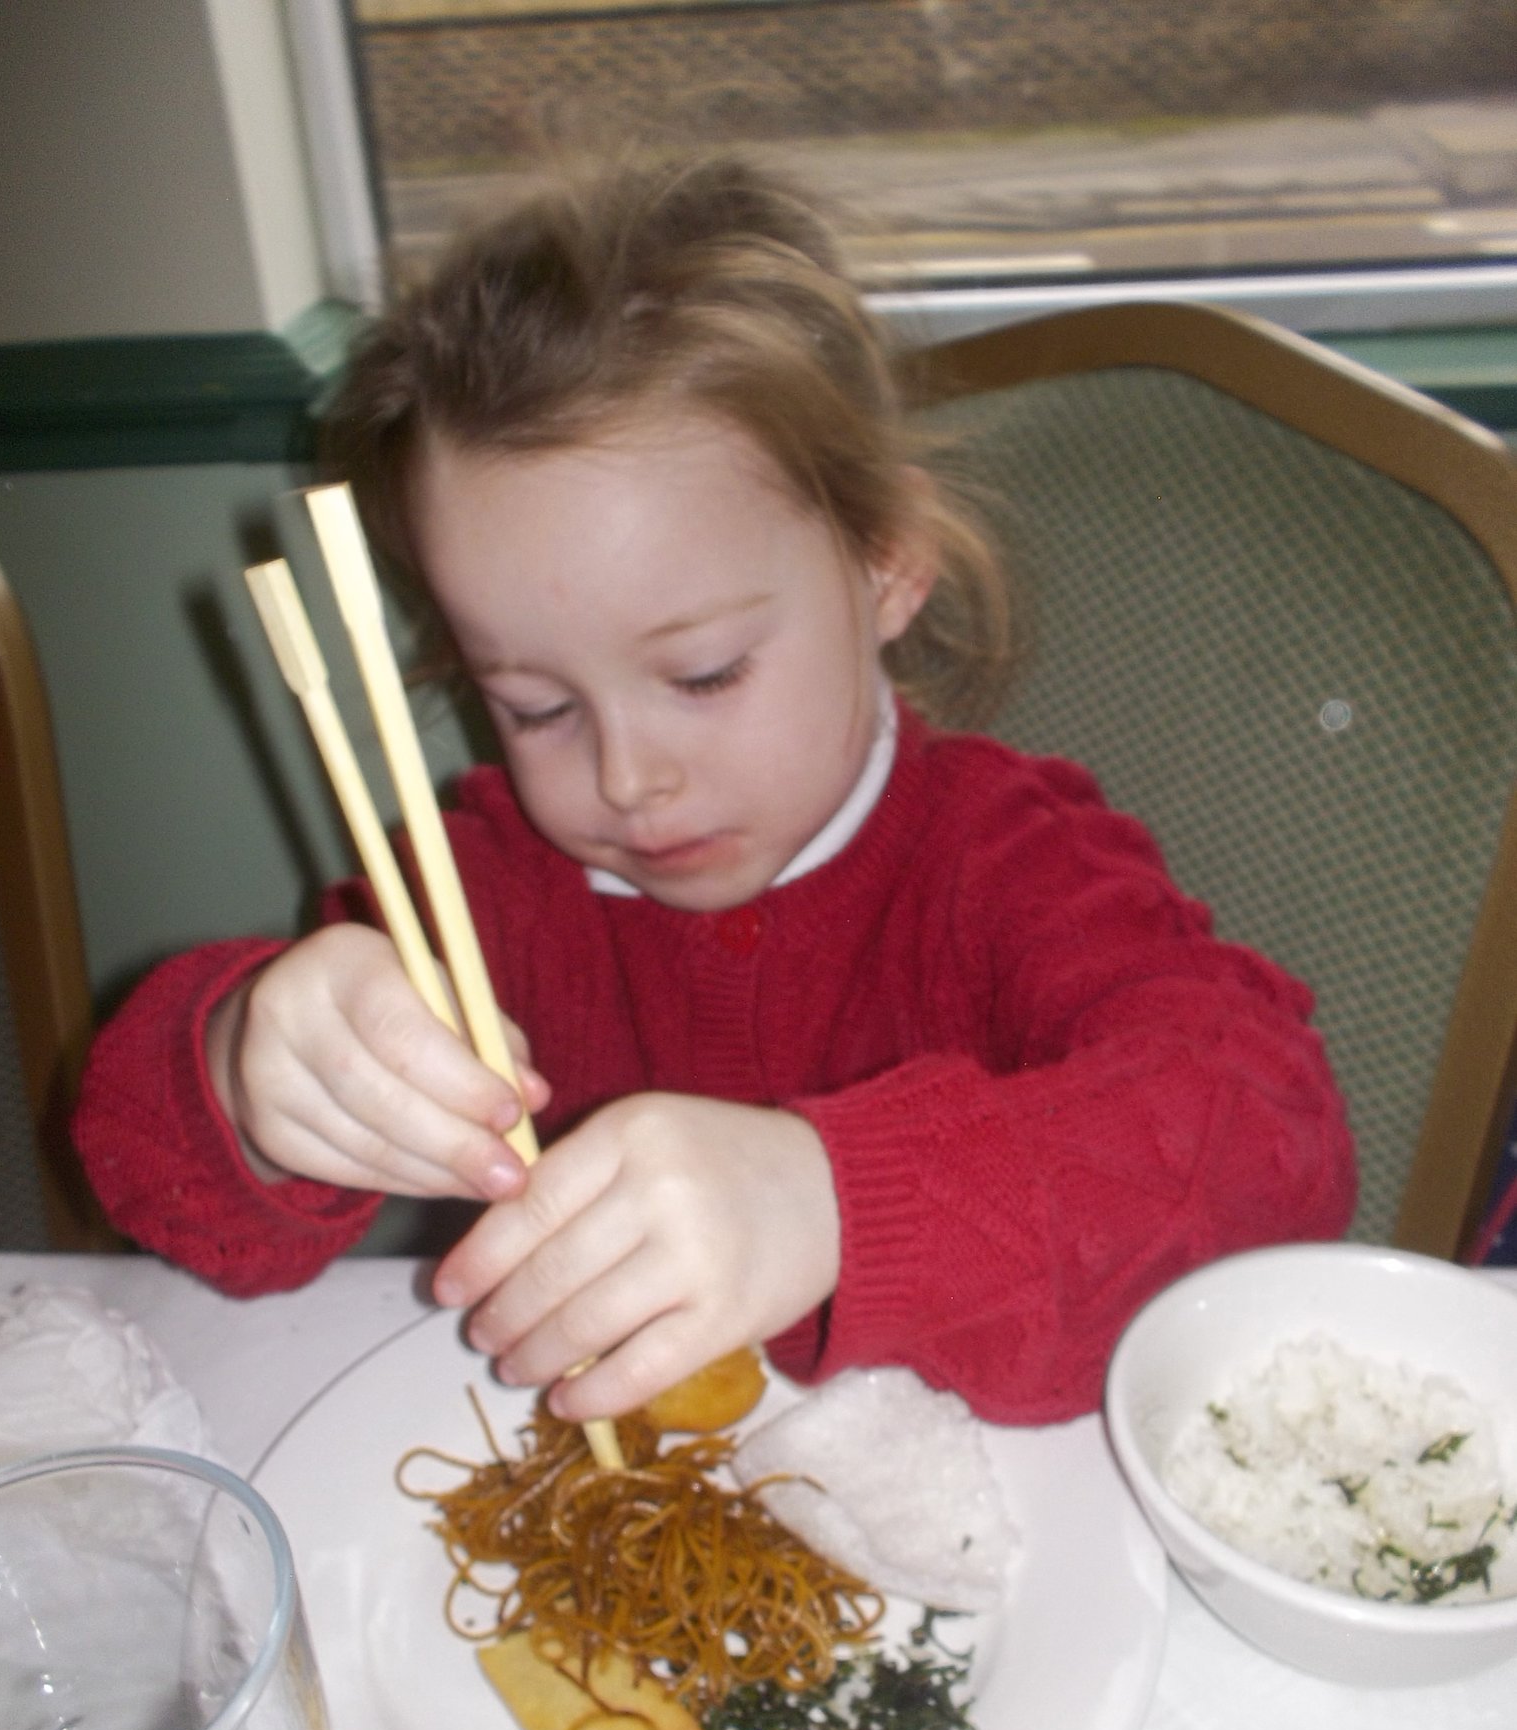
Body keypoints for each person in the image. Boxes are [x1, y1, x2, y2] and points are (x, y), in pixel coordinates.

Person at [73, 154, 1356, 1427]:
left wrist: (832, 1199)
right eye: (535, 706)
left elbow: (1274, 1142)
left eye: (704, 672)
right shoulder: (480, 894)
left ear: (887, 562)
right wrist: (255, 1069)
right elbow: (162, 1186)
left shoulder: (1009, 859)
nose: (630, 779)